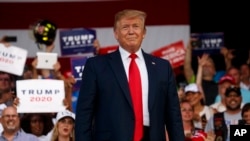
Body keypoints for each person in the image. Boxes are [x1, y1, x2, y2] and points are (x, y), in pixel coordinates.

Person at [75, 9, 184, 141]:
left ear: (143, 33)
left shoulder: (163, 67)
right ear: (116, 33)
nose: (131, 31)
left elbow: (173, 116)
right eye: (125, 27)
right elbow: (84, 114)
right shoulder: (96, 66)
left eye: (136, 26)